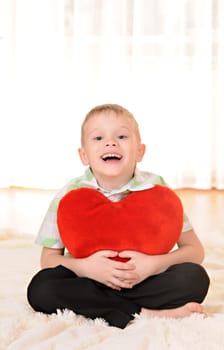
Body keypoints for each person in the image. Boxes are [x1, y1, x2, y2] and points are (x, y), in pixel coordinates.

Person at [27, 103, 210, 329]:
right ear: (83, 155)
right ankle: (144, 314)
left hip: (145, 281)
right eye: (98, 138)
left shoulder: (158, 190)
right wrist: (87, 268)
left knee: (194, 277)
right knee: (41, 287)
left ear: (140, 151)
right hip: (91, 282)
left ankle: (110, 308)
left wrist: (153, 265)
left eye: (122, 136)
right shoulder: (68, 196)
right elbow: (48, 260)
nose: (110, 142)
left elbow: (195, 250)